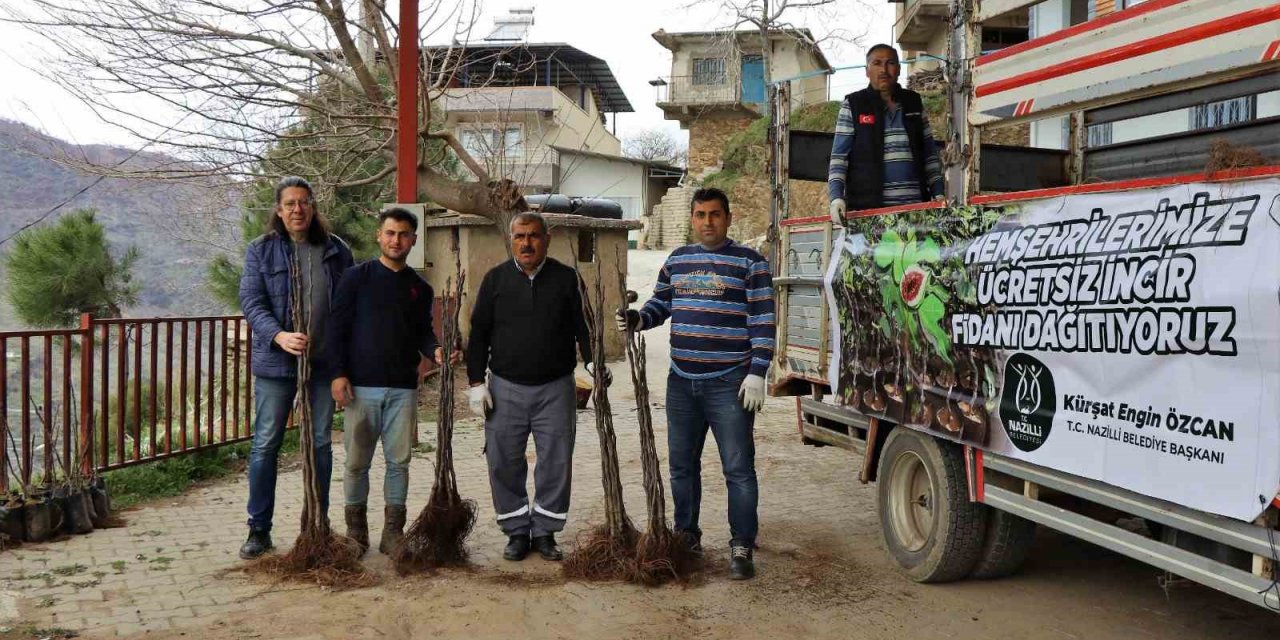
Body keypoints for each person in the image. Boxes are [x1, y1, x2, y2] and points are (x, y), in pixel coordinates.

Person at [616, 187, 775, 581]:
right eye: (701, 215)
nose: (708, 222)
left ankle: (741, 545)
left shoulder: (750, 263)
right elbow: (661, 304)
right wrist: (638, 319)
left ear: (728, 218)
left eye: (715, 214)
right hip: (682, 383)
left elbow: (762, 320)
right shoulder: (678, 260)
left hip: (730, 382)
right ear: (692, 219)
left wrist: (758, 371)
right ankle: (687, 537)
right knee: (682, 467)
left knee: (738, 468)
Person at [466, 212, 596, 562]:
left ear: (546, 239)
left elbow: (584, 326)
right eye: (520, 236)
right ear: (511, 240)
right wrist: (476, 382)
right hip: (505, 388)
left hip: (556, 388)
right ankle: (516, 532)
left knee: (555, 461)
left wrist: (592, 361)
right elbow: (478, 334)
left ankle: (545, 532)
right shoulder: (495, 280)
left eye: (534, 236)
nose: (527, 243)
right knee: (503, 461)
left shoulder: (566, 279)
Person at [238, 176, 354, 559]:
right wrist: (279, 336)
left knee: (320, 444)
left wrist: (343, 363)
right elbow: (251, 301)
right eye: (290, 203)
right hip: (276, 365)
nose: (297, 209)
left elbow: (348, 307)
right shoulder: (261, 250)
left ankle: (316, 523)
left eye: (304, 202)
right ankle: (259, 529)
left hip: (323, 365)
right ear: (279, 209)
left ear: (313, 207)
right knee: (265, 444)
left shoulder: (336, 250)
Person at [328, 208, 447, 555]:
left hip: (402, 388)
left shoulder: (419, 288)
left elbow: (423, 332)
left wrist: (436, 350)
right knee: (356, 463)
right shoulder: (356, 278)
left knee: (399, 463)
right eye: (390, 233)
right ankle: (356, 533)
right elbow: (337, 329)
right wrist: (338, 374)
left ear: (413, 240)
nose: (396, 240)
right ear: (378, 235)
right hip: (360, 388)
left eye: (404, 234)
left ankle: (393, 533)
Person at [828, 44, 945, 224]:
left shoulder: (913, 102)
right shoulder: (853, 105)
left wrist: (938, 193)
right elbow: (839, 158)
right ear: (867, 71)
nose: (883, 69)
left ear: (898, 69)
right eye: (877, 63)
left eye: (890, 63)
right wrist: (836, 198)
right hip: (868, 216)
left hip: (916, 214)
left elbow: (929, 154)